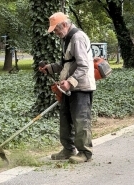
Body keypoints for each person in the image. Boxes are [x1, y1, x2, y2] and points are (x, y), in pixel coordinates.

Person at [39, 12, 96, 163]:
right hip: (68, 87)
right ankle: (68, 149)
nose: (56, 33)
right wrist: (50, 68)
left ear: (64, 25)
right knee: (65, 119)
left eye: (56, 30)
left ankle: (85, 152)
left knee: (80, 120)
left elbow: (84, 65)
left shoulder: (78, 38)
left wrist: (70, 82)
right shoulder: (66, 39)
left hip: (81, 87)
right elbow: (66, 64)